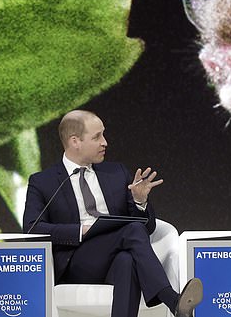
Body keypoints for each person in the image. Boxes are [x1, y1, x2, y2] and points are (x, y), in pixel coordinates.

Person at [23, 110, 202, 317]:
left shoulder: (116, 173)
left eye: (104, 135)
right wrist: (82, 230)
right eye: (97, 137)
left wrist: (139, 201)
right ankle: (171, 299)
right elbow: (32, 228)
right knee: (132, 231)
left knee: (127, 260)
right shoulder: (43, 181)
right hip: (77, 260)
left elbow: (148, 228)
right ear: (75, 142)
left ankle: (174, 303)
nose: (105, 142)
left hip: (116, 253)